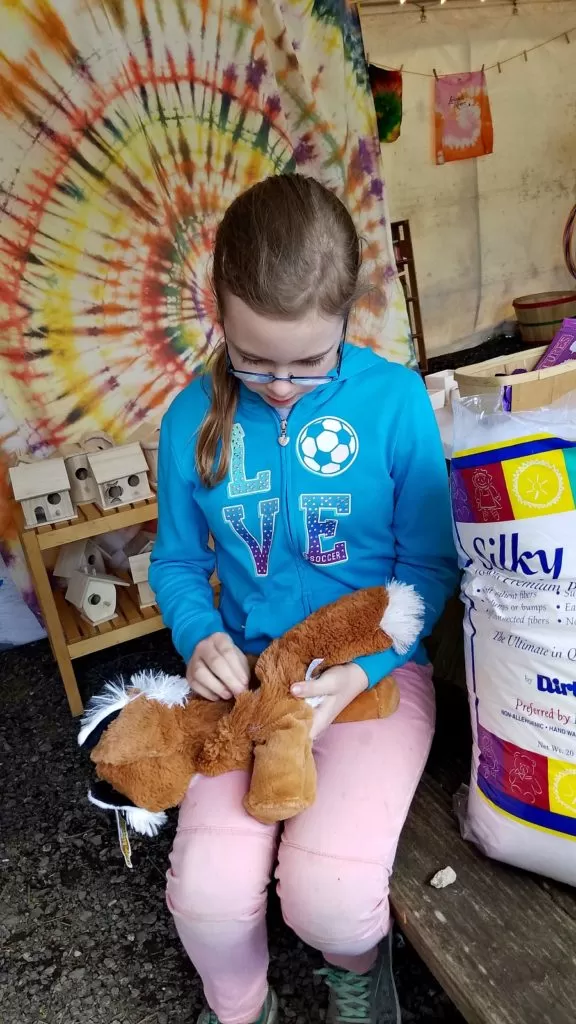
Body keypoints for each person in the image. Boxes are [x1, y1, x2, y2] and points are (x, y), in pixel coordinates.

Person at [149, 174, 458, 1024]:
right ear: (220, 315)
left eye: (309, 364)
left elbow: (430, 568)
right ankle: (240, 1004)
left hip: (375, 683)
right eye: (254, 362)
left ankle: (358, 969)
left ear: (349, 319)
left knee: (326, 894)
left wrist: (364, 672)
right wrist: (199, 634)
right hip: (252, 683)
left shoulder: (394, 401)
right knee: (208, 896)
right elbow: (175, 562)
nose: (281, 387)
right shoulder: (189, 421)